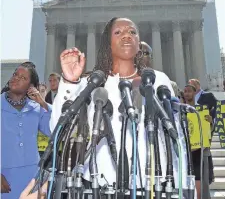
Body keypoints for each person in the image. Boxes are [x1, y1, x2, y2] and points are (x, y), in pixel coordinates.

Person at [50, 17, 187, 196]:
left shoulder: (157, 80)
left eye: (132, 32)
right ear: (108, 43)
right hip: (102, 184)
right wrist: (69, 82)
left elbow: (174, 135)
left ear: (139, 43)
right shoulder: (93, 83)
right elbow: (58, 128)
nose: (126, 36)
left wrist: (182, 181)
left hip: (155, 184)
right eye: (118, 32)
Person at [1, 62, 52, 199]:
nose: (16, 78)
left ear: (31, 87)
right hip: (4, 177)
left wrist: (42, 103)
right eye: (15, 74)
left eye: (23, 78)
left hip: (32, 177)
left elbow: (53, 130)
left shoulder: (36, 108)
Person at [183, 84, 213, 199]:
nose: (187, 93)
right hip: (185, 150)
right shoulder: (180, 109)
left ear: (195, 93)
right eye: (185, 91)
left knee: (199, 178)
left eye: (189, 91)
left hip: (199, 151)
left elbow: (208, 131)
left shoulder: (202, 109)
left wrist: (210, 122)